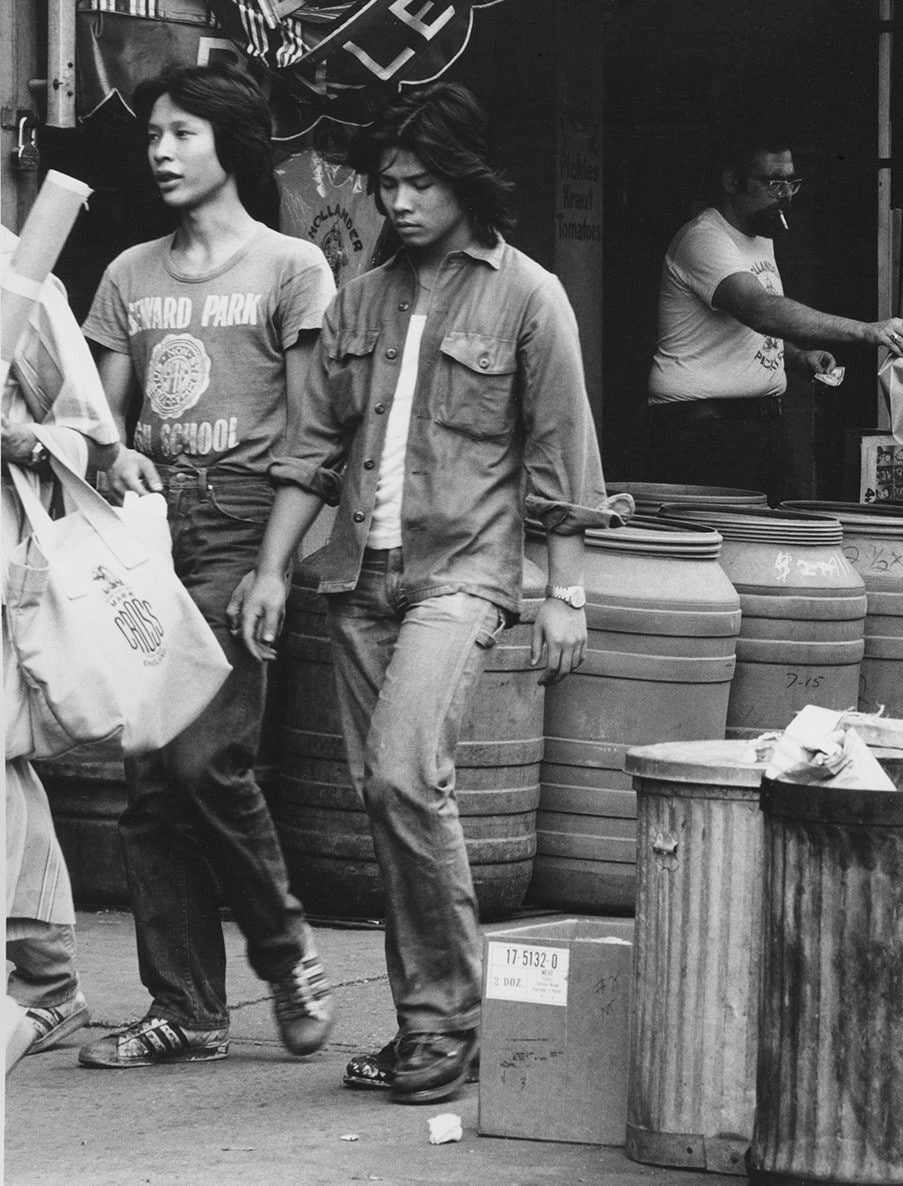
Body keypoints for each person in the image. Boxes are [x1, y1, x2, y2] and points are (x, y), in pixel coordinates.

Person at [233, 82, 620, 1105]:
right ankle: (429, 1031)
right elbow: (311, 449)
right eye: (387, 183)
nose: (398, 201)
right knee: (386, 799)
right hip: (360, 576)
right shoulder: (358, 301)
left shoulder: (529, 295)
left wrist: (565, 591)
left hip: (466, 575)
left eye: (419, 182)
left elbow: (559, 451)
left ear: (465, 181)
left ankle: (451, 1021)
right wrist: (273, 568)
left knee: (407, 777)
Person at [77, 64, 337, 1068]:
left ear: (231, 141)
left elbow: (315, 436)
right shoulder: (129, 275)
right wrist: (110, 449)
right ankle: (185, 1009)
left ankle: (286, 951)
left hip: (243, 529)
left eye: (183, 131)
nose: (161, 149)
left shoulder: (292, 269)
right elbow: (95, 421)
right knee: (149, 782)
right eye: (154, 134)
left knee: (204, 757)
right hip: (150, 534)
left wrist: (277, 562)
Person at [646, 122, 903, 503]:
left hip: (761, 425)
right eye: (774, 184)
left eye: (792, 183)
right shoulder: (705, 239)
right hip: (705, 429)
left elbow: (746, 333)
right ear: (732, 181)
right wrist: (868, 331)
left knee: (779, 539)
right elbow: (759, 310)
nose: (786, 196)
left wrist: (797, 357)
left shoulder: (760, 236)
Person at [1, 226, 122, 1064]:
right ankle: (46, 981)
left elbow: (92, 436)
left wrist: (23, 440)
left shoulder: (21, 279)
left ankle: (42, 986)